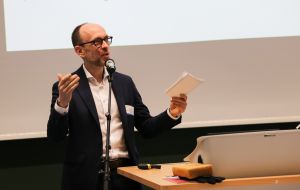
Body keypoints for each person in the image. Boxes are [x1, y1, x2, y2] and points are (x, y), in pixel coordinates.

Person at [47, 22, 188, 190]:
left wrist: (172, 113)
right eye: (97, 42)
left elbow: (146, 128)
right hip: (86, 178)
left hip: (126, 176)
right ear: (80, 51)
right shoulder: (67, 86)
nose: (105, 46)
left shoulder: (124, 83)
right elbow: (56, 136)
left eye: (107, 39)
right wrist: (62, 103)